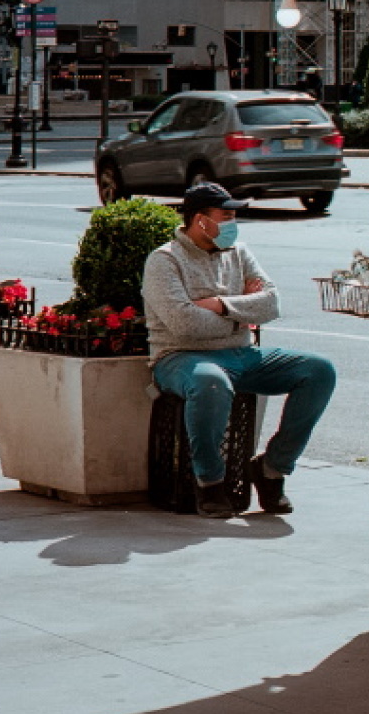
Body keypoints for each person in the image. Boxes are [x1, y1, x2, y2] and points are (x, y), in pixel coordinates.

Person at [143, 182, 336, 518]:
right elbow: (185, 325)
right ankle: (210, 483)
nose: (233, 225)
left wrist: (218, 305)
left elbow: (272, 304)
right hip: (181, 356)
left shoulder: (239, 253)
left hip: (240, 353)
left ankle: (272, 469)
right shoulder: (164, 261)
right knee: (209, 382)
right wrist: (243, 312)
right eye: (226, 216)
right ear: (201, 220)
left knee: (319, 370)